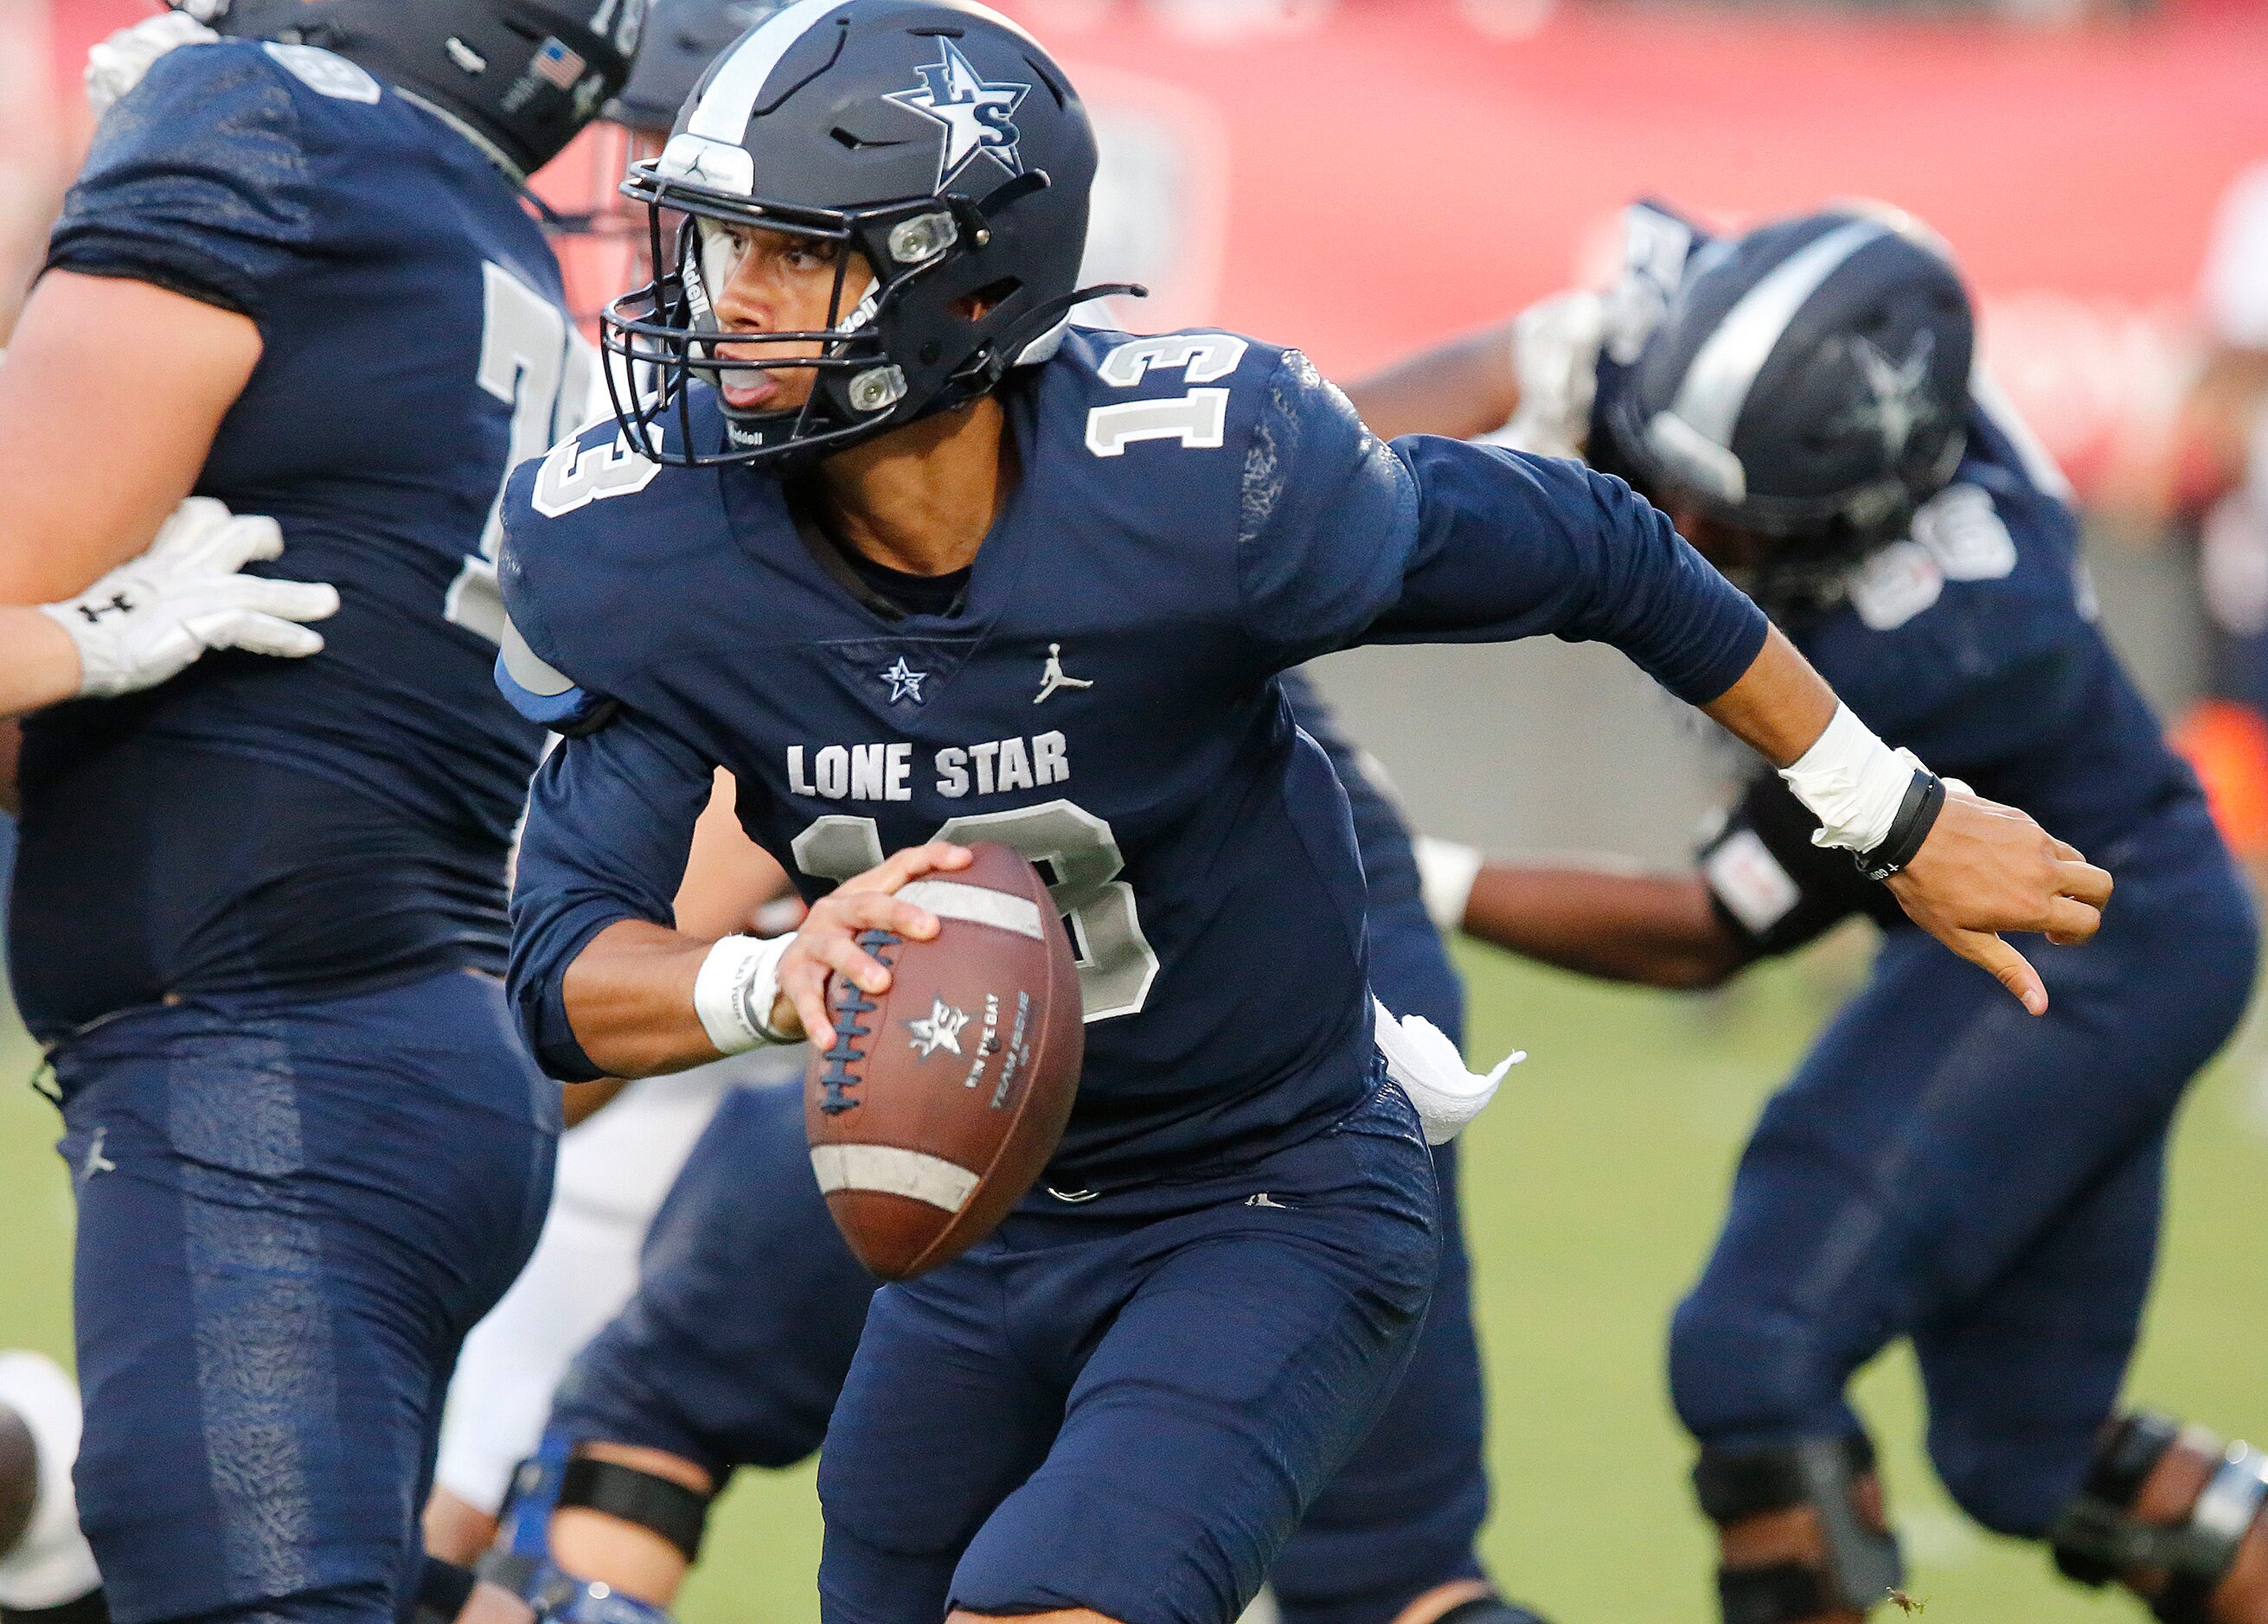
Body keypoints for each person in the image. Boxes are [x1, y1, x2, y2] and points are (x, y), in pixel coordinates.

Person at [496, 10, 2104, 1624]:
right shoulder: (661, 546)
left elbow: (1602, 549)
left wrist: (1890, 812)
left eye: (789, 255)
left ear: (963, 283)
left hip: (1263, 1191)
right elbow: (565, 970)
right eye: (715, 248)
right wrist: (766, 982)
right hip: (972, 1235)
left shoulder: (1199, 488)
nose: (725, 304)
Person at [1363, 200, 2266, 1624]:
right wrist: (1256, 492)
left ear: (1871, 500)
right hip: (2116, 921)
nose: (1684, 534)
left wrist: (1403, 870)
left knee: (1750, 1350)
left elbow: (1708, 928)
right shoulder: (1733, 369)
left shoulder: (1960, 631)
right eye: (1674, 486)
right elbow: (1499, 376)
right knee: (2018, 1459)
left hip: (2091, 935)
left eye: (1731, 522)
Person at [0, 3, 643, 1624]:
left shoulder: (260, 117)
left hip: (264, 1078)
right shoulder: (472, 223)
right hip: (406, 1060)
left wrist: (71, 641)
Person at [478, 668, 1540, 1624]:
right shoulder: (1182, 565)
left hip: (1006, 1095)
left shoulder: (849, 593)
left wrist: (426, 1163)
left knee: (646, 1416)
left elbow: (592, 1018)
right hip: (1333, 1087)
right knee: (1400, 1586)